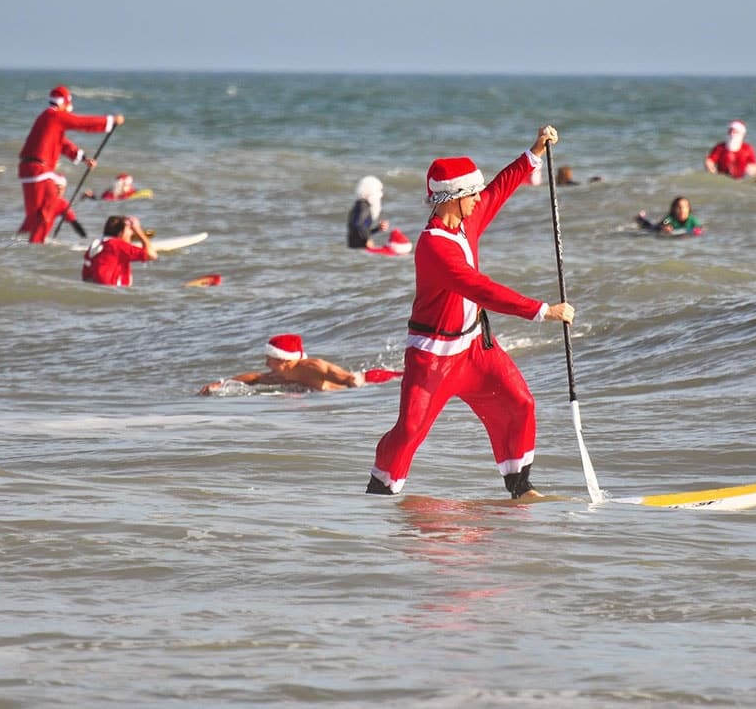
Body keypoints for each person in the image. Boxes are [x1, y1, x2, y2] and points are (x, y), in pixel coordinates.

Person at [365, 124, 575, 500]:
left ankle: (520, 488)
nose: (479, 199)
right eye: (472, 194)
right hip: (433, 357)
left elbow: (499, 189)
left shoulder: (467, 222)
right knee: (410, 430)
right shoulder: (434, 248)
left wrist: (535, 151)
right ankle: (378, 494)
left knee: (520, 403)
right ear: (454, 197)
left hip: (476, 349)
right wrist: (543, 310)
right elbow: (482, 289)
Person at [17, 85, 124, 243]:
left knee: (35, 216)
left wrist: (84, 159)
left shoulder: (47, 118)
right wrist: (110, 121)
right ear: (64, 103)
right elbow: (81, 123)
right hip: (39, 171)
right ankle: (37, 246)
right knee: (51, 205)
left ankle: (20, 246)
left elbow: (62, 143)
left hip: (29, 171)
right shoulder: (54, 116)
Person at [198, 333, 395, 395]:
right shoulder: (282, 374)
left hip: (374, 379)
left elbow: (351, 380)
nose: (266, 362)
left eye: (269, 358)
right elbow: (255, 378)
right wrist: (220, 384)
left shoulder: (313, 366)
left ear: (283, 359)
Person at [81, 215, 157, 287]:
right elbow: (152, 255)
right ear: (121, 233)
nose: (132, 233)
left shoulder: (96, 244)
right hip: (115, 290)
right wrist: (138, 230)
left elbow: (86, 276)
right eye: (130, 229)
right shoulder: (118, 245)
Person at [347, 175, 391, 249]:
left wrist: (378, 228)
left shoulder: (358, 206)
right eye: (378, 191)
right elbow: (358, 224)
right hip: (359, 248)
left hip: (354, 247)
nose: (381, 194)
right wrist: (367, 239)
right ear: (369, 191)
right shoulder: (363, 206)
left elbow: (360, 230)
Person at [637, 196, 704, 235]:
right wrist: (663, 228)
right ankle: (640, 218)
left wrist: (698, 231)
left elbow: (700, 228)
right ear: (673, 209)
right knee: (649, 226)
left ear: (689, 209)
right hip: (653, 228)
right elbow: (660, 225)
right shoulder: (670, 218)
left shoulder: (692, 219)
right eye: (679, 207)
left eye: (685, 207)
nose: (682, 210)